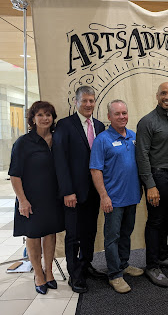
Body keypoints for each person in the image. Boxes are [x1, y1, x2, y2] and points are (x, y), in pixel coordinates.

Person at [53, 86, 106, 293]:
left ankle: (86, 265)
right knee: (73, 235)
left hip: (94, 192)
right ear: (75, 102)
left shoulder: (100, 126)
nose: (88, 104)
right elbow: (60, 161)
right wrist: (67, 191)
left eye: (91, 100)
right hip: (73, 193)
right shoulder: (65, 126)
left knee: (89, 232)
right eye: (84, 100)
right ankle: (75, 275)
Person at [9, 101, 64, 295]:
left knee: (50, 234)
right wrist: (22, 200)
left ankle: (49, 273)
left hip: (53, 198)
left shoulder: (58, 139)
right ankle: (38, 274)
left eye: (48, 114)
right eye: (40, 114)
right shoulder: (23, 143)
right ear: (33, 118)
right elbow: (15, 175)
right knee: (33, 236)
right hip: (30, 199)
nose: (45, 118)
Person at [90, 100, 143, 293]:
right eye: (117, 114)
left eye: (124, 113)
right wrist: (104, 196)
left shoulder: (133, 136)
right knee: (112, 237)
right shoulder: (102, 140)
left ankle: (123, 264)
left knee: (126, 234)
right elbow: (95, 170)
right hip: (113, 199)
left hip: (132, 196)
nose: (122, 117)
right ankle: (114, 274)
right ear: (109, 117)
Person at [136, 82, 168, 288]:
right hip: (157, 177)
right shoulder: (147, 121)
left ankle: (163, 256)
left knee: (164, 219)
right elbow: (142, 155)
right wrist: (150, 185)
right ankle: (152, 265)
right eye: (164, 93)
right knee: (155, 221)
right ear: (157, 96)